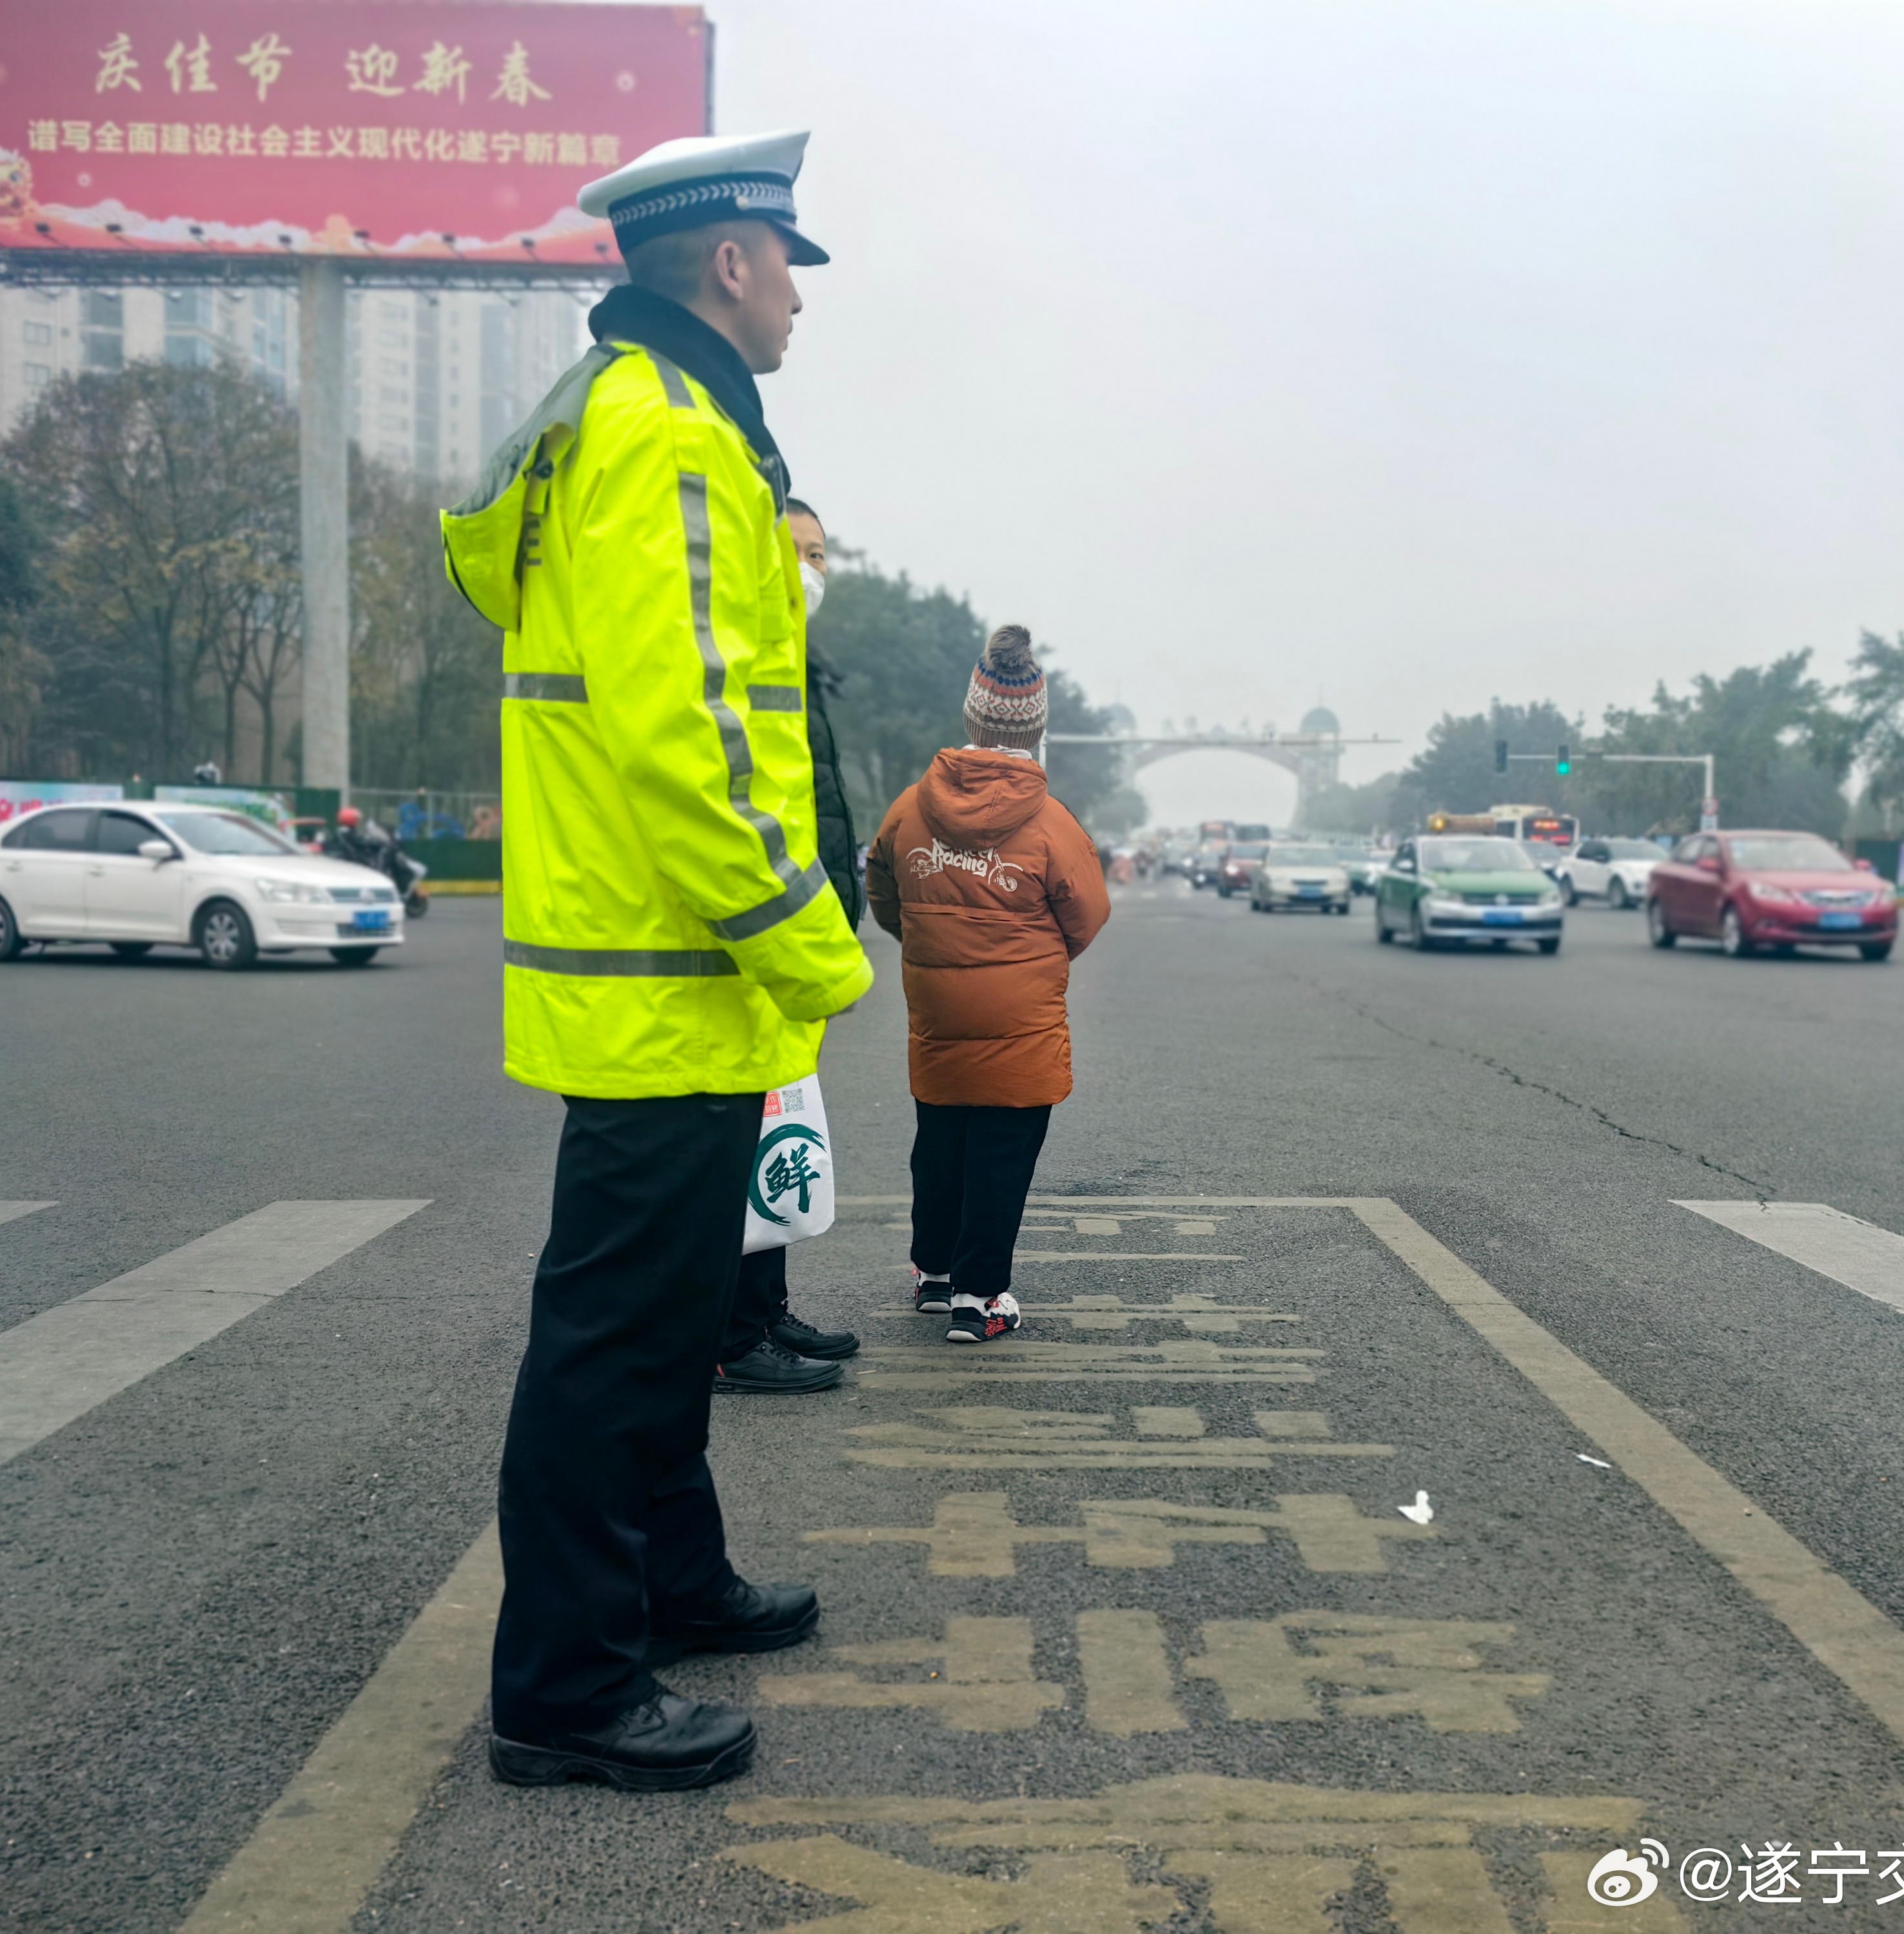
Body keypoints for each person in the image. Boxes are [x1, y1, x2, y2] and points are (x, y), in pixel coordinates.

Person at [438, 128, 871, 1793]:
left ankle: (669, 1585)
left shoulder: (641, 426)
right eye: (790, 273)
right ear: (731, 266)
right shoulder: (669, 441)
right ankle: (564, 1687)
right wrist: (807, 948)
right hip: (670, 966)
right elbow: (691, 737)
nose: (800, 311)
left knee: (672, 1316)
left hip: (668, 975)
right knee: (611, 1342)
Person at [866, 626, 1110, 1343]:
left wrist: (927, 941)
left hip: (937, 1012)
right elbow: (1086, 915)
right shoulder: (1050, 821)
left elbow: (882, 890)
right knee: (1000, 1153)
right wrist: (1032, 953)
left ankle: (934, 1275)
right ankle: (980, 1298)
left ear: (972, 717)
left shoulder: (910, 809)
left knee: (938, 1142)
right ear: (1034, 730)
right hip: (1022, 1022)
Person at [713, 497, 862, 1395]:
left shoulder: (800, 664)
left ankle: (766, 1310)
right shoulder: (748, 658)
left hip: (802, 942)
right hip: (765, 951)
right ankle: (733, 1334)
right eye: (796, 550)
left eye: (821, 553)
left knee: (782, 1132)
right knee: (749, 1138)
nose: (812, 569)